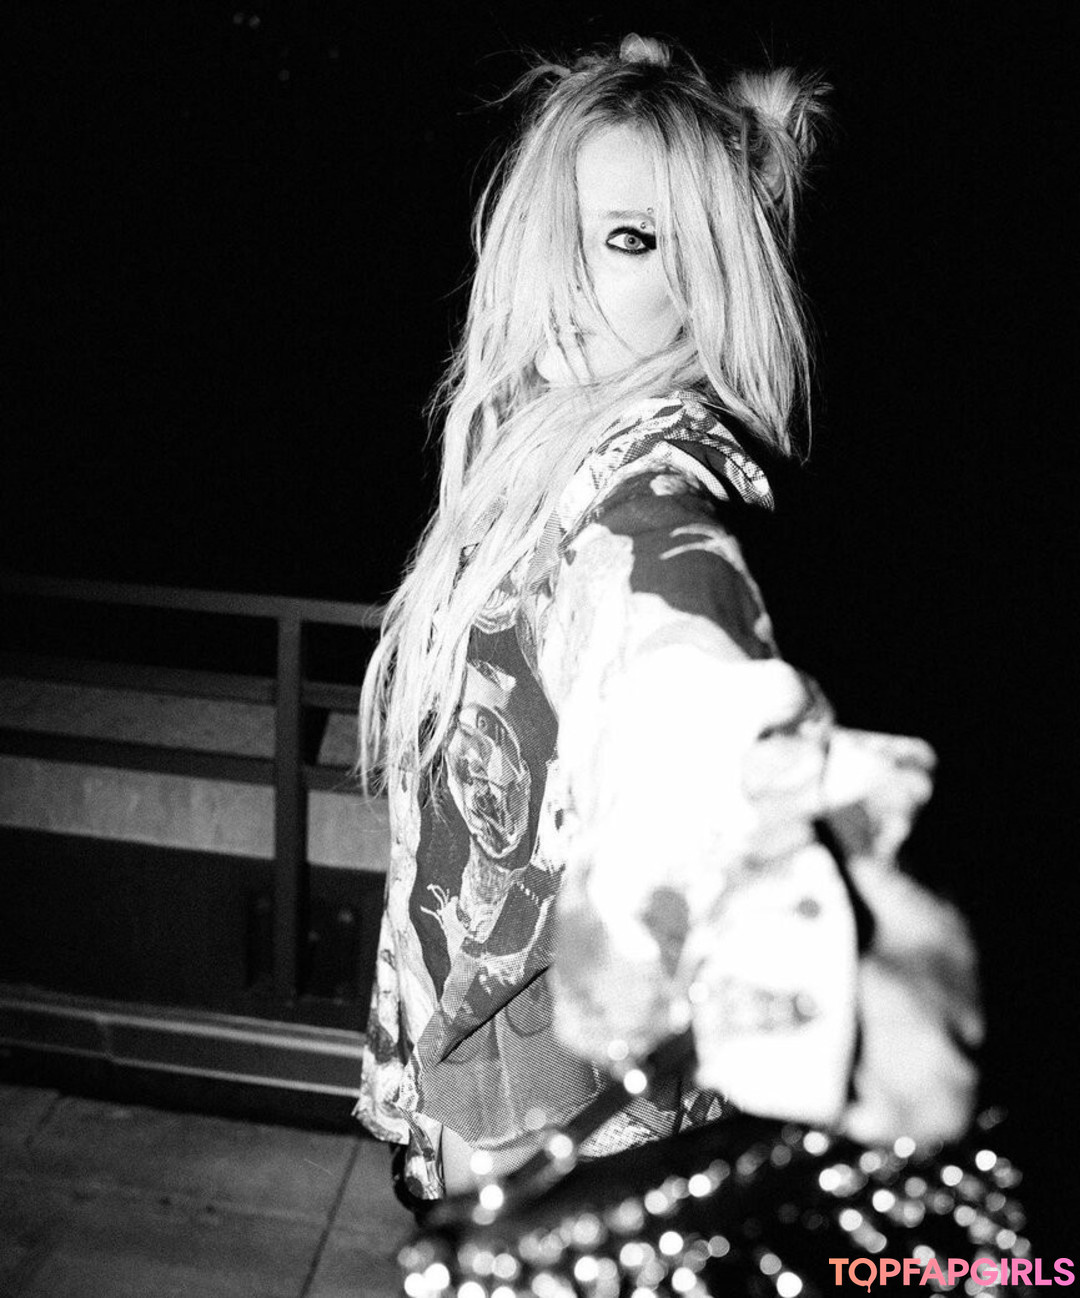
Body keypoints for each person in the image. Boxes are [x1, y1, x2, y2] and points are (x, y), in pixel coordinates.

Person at [354, 33, 981, 1212]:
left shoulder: (652, 466)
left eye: (631, 239)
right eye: (566, 227)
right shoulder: (533, 448)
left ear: (709, 274)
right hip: (483, 1092)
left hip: (568, 1127)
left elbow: (663, 608)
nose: (570, 276)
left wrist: (730, 784)